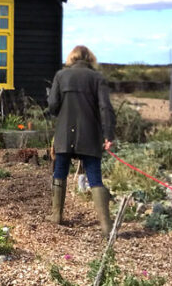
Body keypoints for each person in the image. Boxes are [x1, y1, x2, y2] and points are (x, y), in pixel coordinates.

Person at [46, 45, 116, 238]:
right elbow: (106, 109)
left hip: (64, 134)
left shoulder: (61, 76)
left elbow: (52, 105)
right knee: (95, 176)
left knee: (60, 171)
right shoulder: (98, 79)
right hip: (90, 135)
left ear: (72, 58)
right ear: (90, 58)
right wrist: (109, 135)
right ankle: (106, 226)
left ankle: (56, 216)